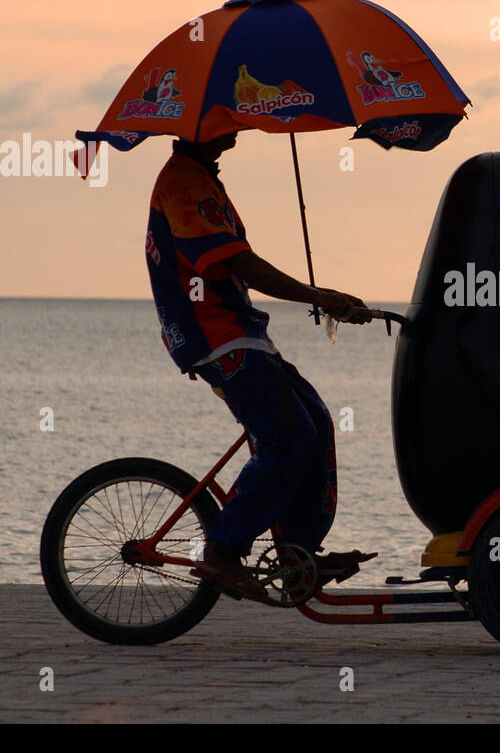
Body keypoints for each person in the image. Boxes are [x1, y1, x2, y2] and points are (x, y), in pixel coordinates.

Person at [145, 130, 374, 601]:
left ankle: (297, 552)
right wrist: (318, 295)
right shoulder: (185, 183)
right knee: (287, 439)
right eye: (226, 118)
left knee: (317, 425)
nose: (236, 126)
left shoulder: (203, 178)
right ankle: (222, 551)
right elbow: (243, 265)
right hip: (213, 335)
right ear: (201, 125)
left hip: (242, 332)